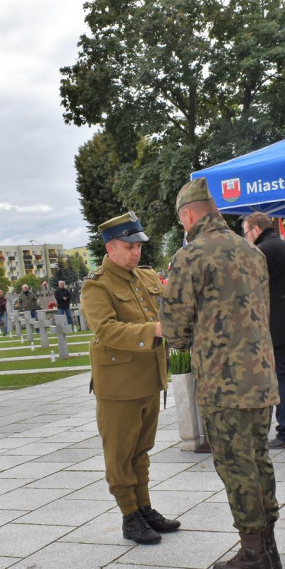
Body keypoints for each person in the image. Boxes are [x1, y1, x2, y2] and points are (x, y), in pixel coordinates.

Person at [161, 178, 280, 569]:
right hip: (261, 374)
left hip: (224, 380)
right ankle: (269, 544)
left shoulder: (191, 255)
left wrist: (186, 337)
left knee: (235, 465)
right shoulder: (252, 249)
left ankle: (253, 554)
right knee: (259, 457)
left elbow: (174, 326)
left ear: (188, 215)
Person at [82, 211, 177, 546]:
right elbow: (105, 329)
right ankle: (129, 515)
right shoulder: (97, 286)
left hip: (150, 378)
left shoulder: (145, 277)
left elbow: (168, 310)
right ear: (110, 249)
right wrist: (154, 330)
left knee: (142, 451)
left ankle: (144, 508)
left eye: (138, 244)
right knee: (121, 454)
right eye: (128, 245)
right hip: (119, 386)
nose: (136, 251)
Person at [242, 212, 285, 449]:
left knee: (280, 375)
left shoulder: (262, 251)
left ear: (255, 229)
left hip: (277, 322)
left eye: (245, 232)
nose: (246, 238)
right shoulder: (284, 246)